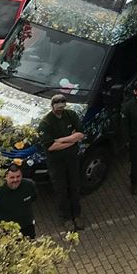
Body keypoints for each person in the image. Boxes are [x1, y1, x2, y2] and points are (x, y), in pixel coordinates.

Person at [36, 93, 85, 231]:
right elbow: (50, 146)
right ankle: (66, 218)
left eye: (62, 107)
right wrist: (71, 140)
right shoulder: (46, 123)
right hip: (56, 163)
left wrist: (61, 140)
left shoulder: (71, 115)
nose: (60, 110)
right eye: (58, 108)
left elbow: (80, 134)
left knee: (75, 186)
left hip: (72, 160)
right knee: (61, 190)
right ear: (52, 107)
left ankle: (77, 215)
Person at [0, 163, 37, 238]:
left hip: (27, 227)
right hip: (5, 231)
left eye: (18, 176)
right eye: (12, 177)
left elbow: (34, 198)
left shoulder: (29, 185)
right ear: (6, 177)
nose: (15, 180)